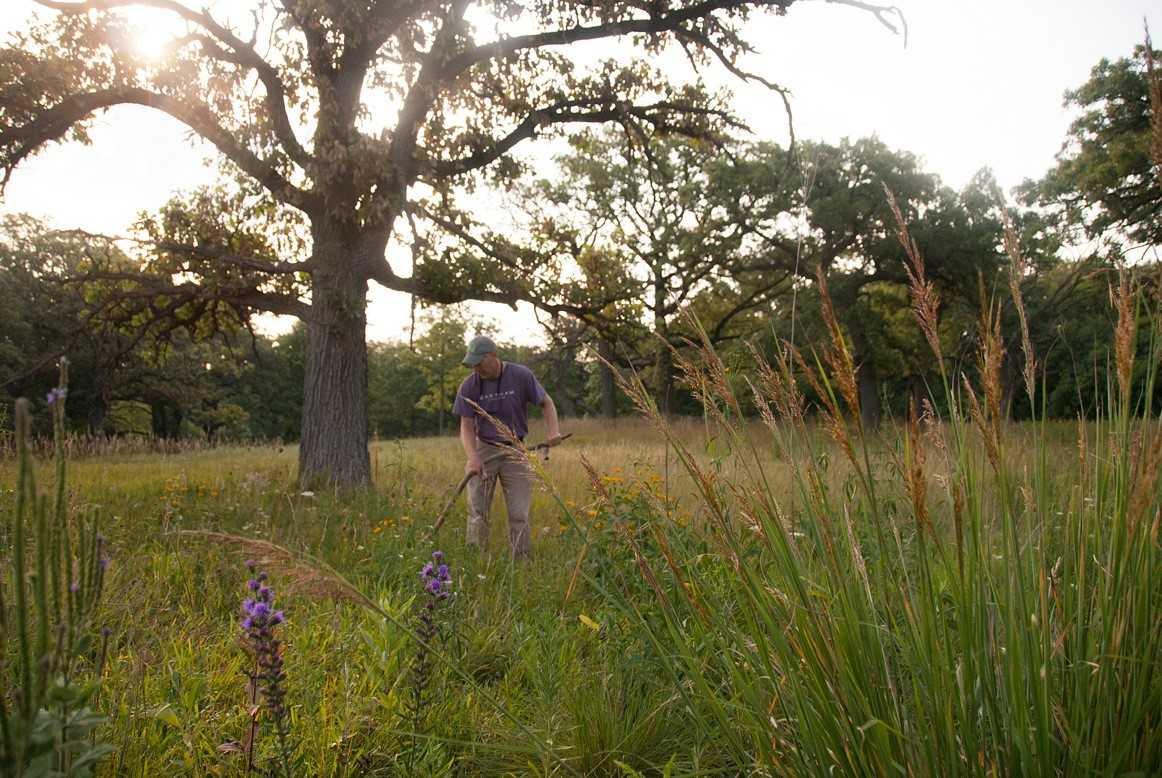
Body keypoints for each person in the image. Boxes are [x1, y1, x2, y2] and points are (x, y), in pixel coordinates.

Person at [452, 335, 562, 559]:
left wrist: (553, 432)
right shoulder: (469, 385)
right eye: (472, 364)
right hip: (485, 449)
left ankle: (521, 562)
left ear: (492, 356)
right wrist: (473, 457)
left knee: (519, 513)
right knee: (477, 510)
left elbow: (546, 402)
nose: (475, 369)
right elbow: (466, 425)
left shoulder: (521, 375)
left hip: (517, 450)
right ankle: (477, 560)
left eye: (478, 363)